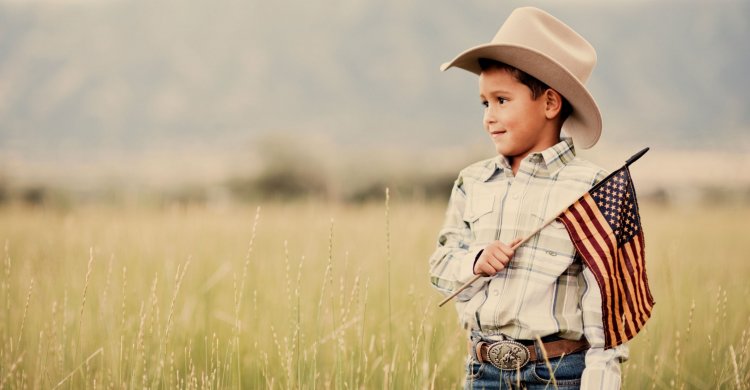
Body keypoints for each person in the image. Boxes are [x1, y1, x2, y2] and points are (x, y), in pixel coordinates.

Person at [428, 7, 628, 389]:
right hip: (483, 371)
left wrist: (602, 379)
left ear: (551, 104)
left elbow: (606, 303)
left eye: (502, 100)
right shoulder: (474, 181)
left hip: (559, 374)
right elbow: (440, 266)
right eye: (484, 103)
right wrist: (475, 261)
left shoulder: (592, 189)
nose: (489, 116)